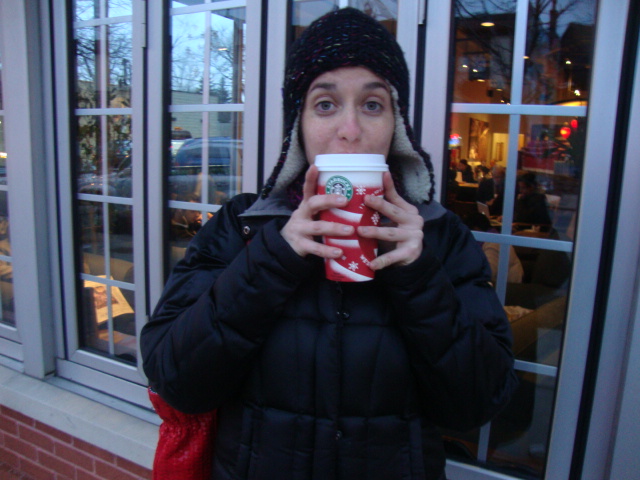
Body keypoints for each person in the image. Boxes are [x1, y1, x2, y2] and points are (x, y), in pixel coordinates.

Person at [141, 8, 517, 480]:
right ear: (297, 124)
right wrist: (274, 259)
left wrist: (418, 276)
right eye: (325, 104)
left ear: (397, 125)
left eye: (373, 105)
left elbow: (479, 405)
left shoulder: (440, 237)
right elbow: (174, 380)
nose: (350, 130)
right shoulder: (242, 227)